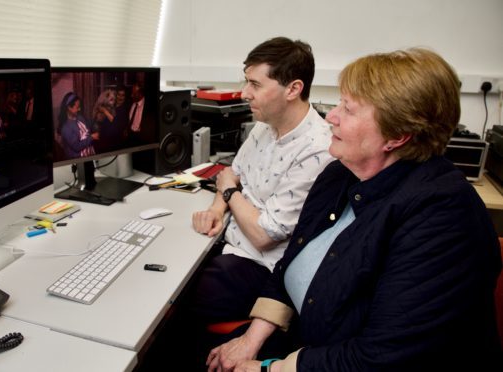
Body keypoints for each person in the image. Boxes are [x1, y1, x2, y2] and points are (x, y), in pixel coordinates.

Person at [206, 48, 503, 372]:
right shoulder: (339, 175)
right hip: (311, 344)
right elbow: (292, 261)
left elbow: (383, 356)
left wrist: (269, 369)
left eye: (348, 109)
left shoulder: (444, 216)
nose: (331, 116)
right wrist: (251, 339)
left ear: (397, 135)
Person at [190, 36, 333, 340]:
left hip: (261, 265)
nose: (245, 93)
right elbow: (233, 174)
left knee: (183, 294)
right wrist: (217, 207)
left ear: (293, 89)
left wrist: (228, 193)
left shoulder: (316, 150)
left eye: (255, 84)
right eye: (246, 82)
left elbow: (264, 235)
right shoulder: (265, 124)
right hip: (229, 241)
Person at [57, 92, 99, 159]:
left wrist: (96, 120)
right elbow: (77, 147)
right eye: (77, 107)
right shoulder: (66, 128)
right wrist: (91, 137)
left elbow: (89, 124)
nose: (79, 109)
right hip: (77, 159)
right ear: (69, 108)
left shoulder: (79, 117)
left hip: (89, 153)